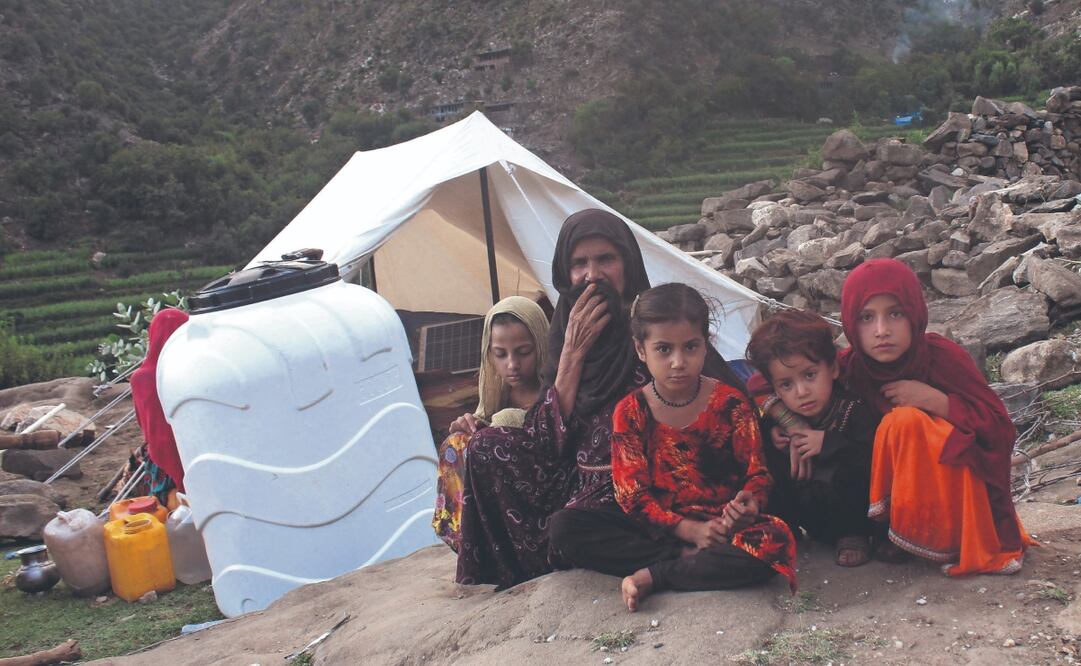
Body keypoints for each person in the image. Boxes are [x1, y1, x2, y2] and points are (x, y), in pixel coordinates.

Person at [547, 283, 797, 612]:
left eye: (690, 347)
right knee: (565, 527)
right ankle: (683, 561)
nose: (678, 362)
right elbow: (632, 496)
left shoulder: (731, 404)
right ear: (641, 350)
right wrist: (687, 531)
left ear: (705, 346)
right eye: (664, 350)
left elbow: (757, 473)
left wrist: (748, 504)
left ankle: (655, 574)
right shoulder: (630, 411)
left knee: (775, 538)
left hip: (721, 527)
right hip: (659, 527)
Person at [455, 208, 658, 589]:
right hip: (574, 475)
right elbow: (545, 438)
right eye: (579, 263)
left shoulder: (653, 318)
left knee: (570, 526)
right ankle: (532, 567)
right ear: (565, 272)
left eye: (605, 259)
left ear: (628, 263)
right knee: (483, 447)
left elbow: (711, 388)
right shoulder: (566, 324)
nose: (592, 275)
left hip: (636, 478)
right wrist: (573, 353)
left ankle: (668, 554)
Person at [839, 258, 1033, 575]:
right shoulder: (853, 368)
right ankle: (894, 534)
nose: (881, 331)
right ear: (850, 323)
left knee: (903, 422)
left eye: (895, 314)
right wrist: (784, 415)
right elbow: (772, 376)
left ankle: (950, 539)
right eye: (866, 317)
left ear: (915, 313)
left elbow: (1001, 430)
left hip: (957, 502)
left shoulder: (941, 357)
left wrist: (938, 402)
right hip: (897, 505)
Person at [745, 309, 879, 567]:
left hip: (852, 514)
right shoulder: (782, 418)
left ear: (833, 368)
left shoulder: (853, 410)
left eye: (809, 375)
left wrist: (827, 443)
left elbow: (873, 461)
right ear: (774, 389)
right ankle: (786, 527)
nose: (802, 392)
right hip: (810, 512)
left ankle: (852, 535)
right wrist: (771, 434)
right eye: (786, 384)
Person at [432, 296, 549, 551]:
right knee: (456, 444)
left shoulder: (557, 392)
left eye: (523, 352)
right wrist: (470, 426)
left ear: (541, 345)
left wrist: (507, 424)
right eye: (500, 354)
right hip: (495, 495)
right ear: (489, 354)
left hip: (542, 496)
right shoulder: (497, 395)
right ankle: (467, 543)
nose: (512, 365)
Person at [129, 308, 189, 505]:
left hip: (163, 464)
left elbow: (143, 422)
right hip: (199, 454)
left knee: (173, 511)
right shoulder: (196, 373)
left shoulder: (140, 378)